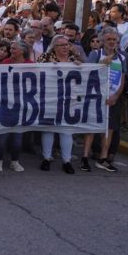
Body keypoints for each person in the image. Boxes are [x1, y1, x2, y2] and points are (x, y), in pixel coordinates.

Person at [37, 35, 82, 174]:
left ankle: (66, 161)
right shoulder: (45, 58)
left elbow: (82, 76)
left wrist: (81, 67)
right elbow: (36, 72)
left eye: (67, 44)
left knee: (66, 130)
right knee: (48, 128)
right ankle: (46, 158)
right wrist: (50, 68)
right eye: (61, 45)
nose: (65, 47)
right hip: (50, 97)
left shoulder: (74, 60)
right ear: (54, 47)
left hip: (68, 99)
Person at [83, 27, 126, 173]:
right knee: (92, 127)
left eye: (114, 40)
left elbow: (123, 79)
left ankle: (103, 158)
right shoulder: (95, 54)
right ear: (102, 41)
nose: (111, 42)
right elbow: (87, 73)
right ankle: (85, 157)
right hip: (96, 97)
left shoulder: (122, 57)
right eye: (108, 39)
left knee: (109, 129)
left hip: (112, 99)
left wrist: (115, 97)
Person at [0, 40, 32, 172]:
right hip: (6, 103)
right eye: (11, 48)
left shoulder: (31, 65)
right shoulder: (6, 63)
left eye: (14, 49)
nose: (11, 51)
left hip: (22, 105)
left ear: (22, 51)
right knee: (2, 135)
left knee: (17, 137)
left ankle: (14, 161)